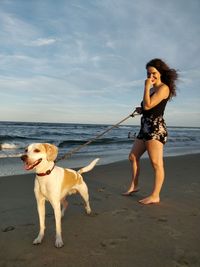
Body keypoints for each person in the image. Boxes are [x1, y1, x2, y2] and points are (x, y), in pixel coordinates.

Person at [122, 58, 178, 204]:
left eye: (153, 73)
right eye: (148, 74)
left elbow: (149, 105)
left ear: (160, 73)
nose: (150, 77)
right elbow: (147, 108)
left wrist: (146, 88)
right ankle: (134, 186)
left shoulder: (163, 88)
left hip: (156, 128)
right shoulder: (152, 89)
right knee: (133, 157)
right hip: (145, 127)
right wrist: (140, 110)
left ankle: (155, 195)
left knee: (156, 163)